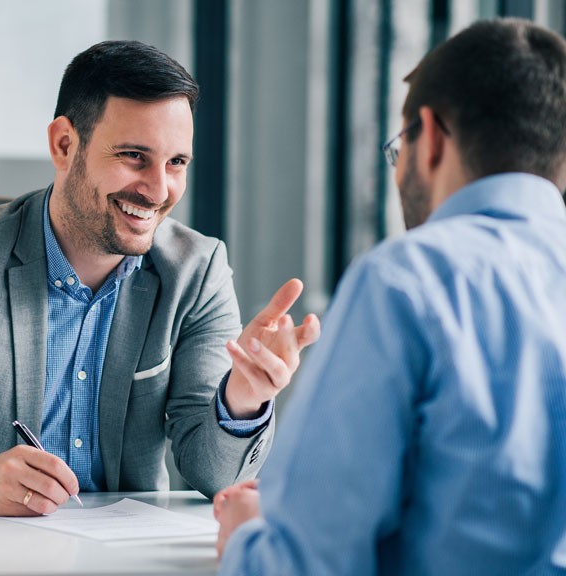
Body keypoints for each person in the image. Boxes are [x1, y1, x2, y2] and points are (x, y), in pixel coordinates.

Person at [0, 40, 319, 516]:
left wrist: (243, 399)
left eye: (176, 162)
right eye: (134, 156)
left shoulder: (196, 272)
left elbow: (214, 474)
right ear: (65, 145)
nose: (158, 189)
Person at [215, 18, 566, 575]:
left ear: (428, 136)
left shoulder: (407, 281)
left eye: (397, 145)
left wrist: (247, 539)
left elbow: (307, 565)